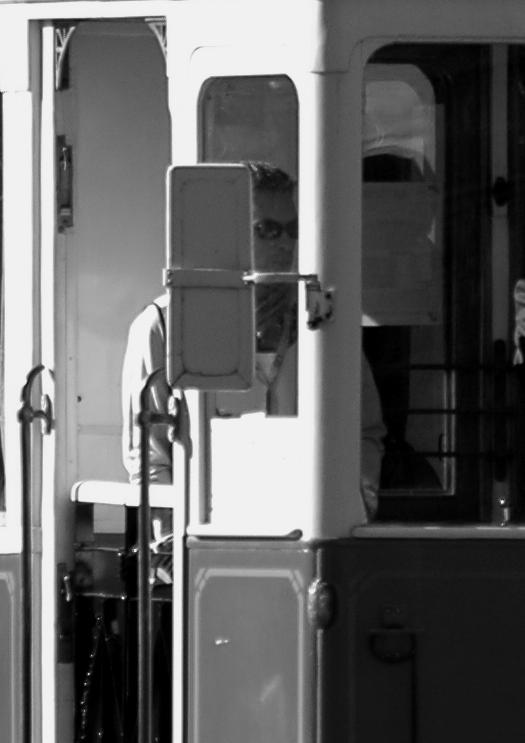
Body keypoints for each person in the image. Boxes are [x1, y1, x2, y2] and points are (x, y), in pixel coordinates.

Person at [123, 164, 384, 516]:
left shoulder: (323, 318)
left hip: (303, 528)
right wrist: (170, 550)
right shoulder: (163, 325)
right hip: (208, 533)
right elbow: (150, 459)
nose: (284, 244)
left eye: (292, 230)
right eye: (267, 230)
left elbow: (364, 431)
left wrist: (359, 506)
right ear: (230, 235)